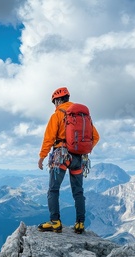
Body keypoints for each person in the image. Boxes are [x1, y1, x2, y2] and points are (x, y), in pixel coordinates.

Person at [37, 87, 100, 233]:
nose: (55, 106)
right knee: (78, 191)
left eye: (54, 102)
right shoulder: (82, 117)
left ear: (58, 100)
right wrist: (82, 148)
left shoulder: (57, 115)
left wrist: (42, 157)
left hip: (61, 156)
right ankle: (80, 224)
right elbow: (95, 137)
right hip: (79, 158)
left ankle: (55, 222)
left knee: (53, 189)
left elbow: (49, 138)